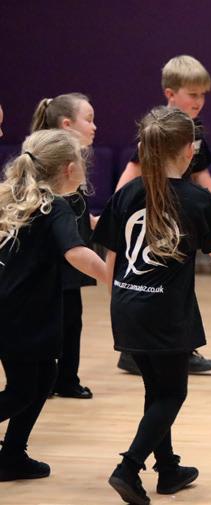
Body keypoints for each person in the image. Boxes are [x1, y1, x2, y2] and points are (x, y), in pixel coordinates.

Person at [94, 107, 211, 505]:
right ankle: (128, 467)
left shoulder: (127, 193)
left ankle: (168, 469)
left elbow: (112, 254)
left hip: (126, 305)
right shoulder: (197, 199)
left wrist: (116, 300)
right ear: (189, 151)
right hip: (164, 313)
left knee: (156, 390)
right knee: (172, 394)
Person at [0, 129, 108, 481]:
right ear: (68, 168)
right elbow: (76, 253)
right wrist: (115, 280)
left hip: (21, 310)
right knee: (23, 390)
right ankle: (11, 455)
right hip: (22, 315)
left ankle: (12, 455)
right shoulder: (54, 206)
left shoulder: (18, 198)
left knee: (44, 377)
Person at [115, 54, 211, 374]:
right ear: (170, 94)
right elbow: (133, 169)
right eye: (193, 94)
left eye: (203, 94)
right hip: (155, 219)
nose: (199, 101)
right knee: (154, 285)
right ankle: (137, 351)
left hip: (179, 216)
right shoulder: (160, 128)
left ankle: (177, 348)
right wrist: (117, 208)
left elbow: (201, 172)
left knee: (177, 287)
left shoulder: (195, 129)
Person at [30, 93, 98, 398]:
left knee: (71, 320)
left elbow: (75, 211)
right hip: (55, 260)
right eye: (89, 119)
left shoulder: (73, 160)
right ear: (67, 124)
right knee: (56, 321)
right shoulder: (55, 164)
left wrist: (93, 223)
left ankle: (65, 378)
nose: (94, 126)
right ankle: (50, 379)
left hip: (67, 259)